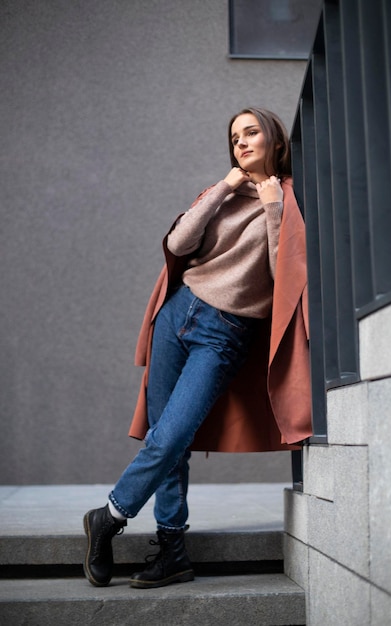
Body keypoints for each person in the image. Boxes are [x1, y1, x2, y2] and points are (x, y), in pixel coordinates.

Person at [83, 107, 312, 590]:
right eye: (234, 138)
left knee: (174, 433)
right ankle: (173, 551)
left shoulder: (290, 199)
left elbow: (283, 276)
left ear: (275, 140)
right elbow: (179, 241)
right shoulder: (223, 193)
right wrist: (223, 190)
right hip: (177, 313)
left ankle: (109, 515)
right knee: (164, 437)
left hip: (226, 332)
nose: (242, 143)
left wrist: (272, 205)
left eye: (251, 133)